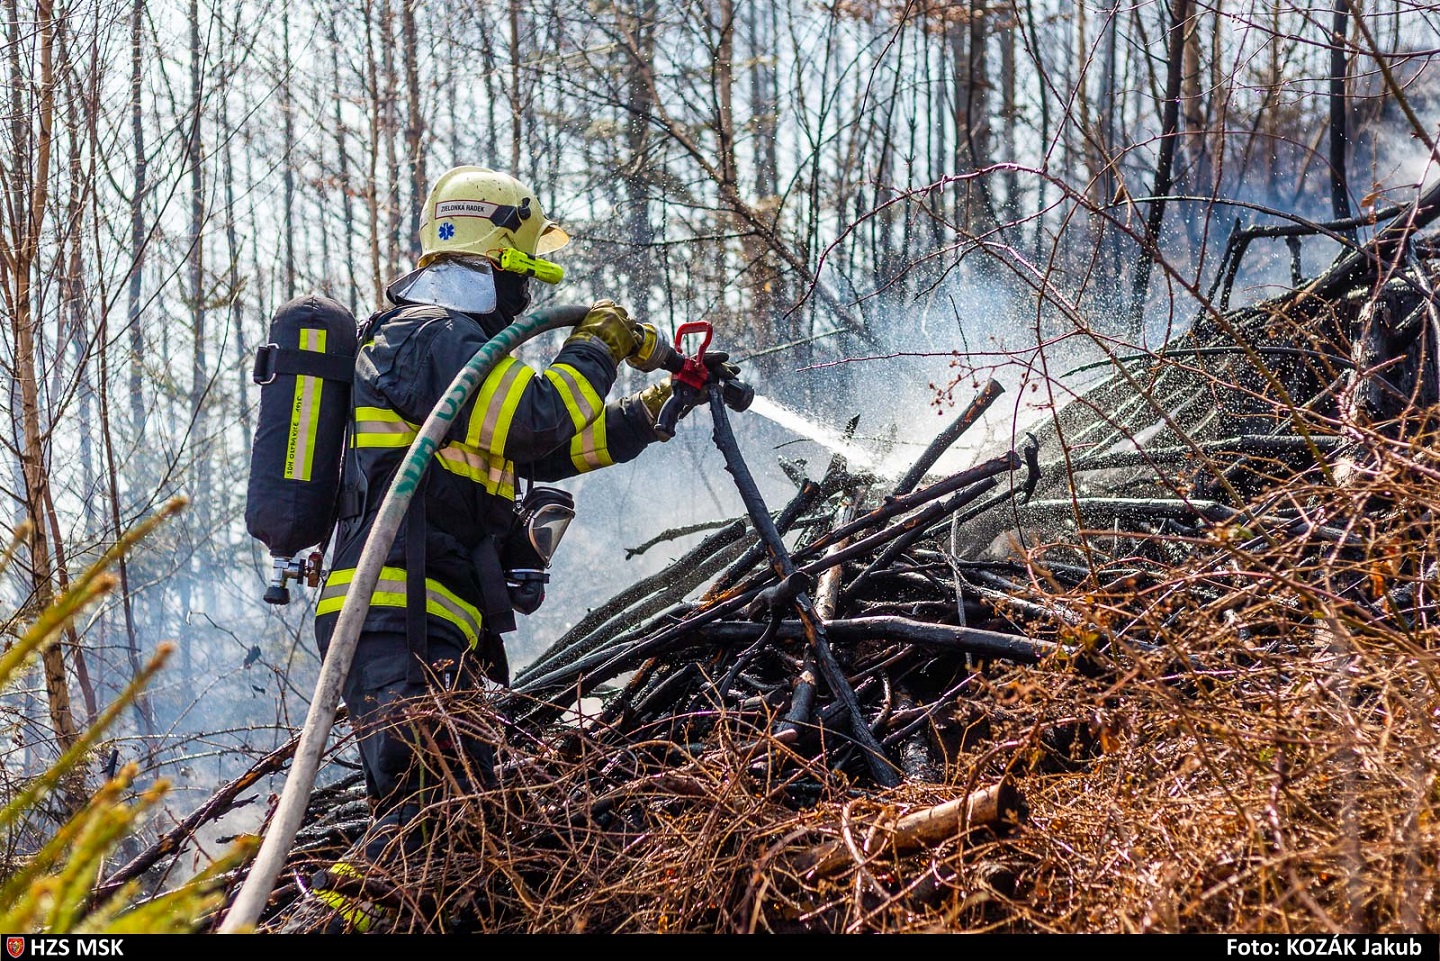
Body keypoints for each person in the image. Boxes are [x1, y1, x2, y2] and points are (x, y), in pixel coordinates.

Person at [307, 166, 728, 930]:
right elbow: (538, 416)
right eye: (523, 276)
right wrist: (597, 344)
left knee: (455, 832)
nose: (529, 299)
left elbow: (544, 447)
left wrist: (660, 405)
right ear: (493, 257)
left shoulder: (452, 348)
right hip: (399, 625)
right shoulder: (426, 337)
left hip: (429, 630)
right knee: (426, 830)